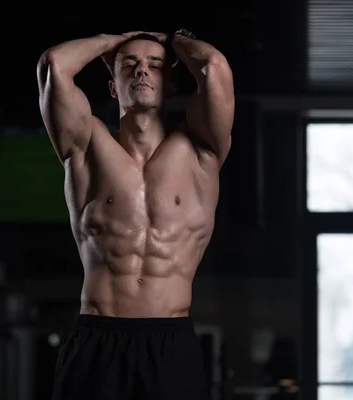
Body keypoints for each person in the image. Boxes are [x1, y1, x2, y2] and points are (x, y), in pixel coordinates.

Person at [37, 29, 234, 400]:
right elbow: (54, 64)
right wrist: (114, 42)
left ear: (171, 85)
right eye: (130, 66)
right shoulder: (86, 145)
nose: (142, 71)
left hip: (170, 344)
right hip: (97, 339)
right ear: (113, 87)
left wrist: (174, 41)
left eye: (154, 66)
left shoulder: (201, 151)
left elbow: (214, 65)